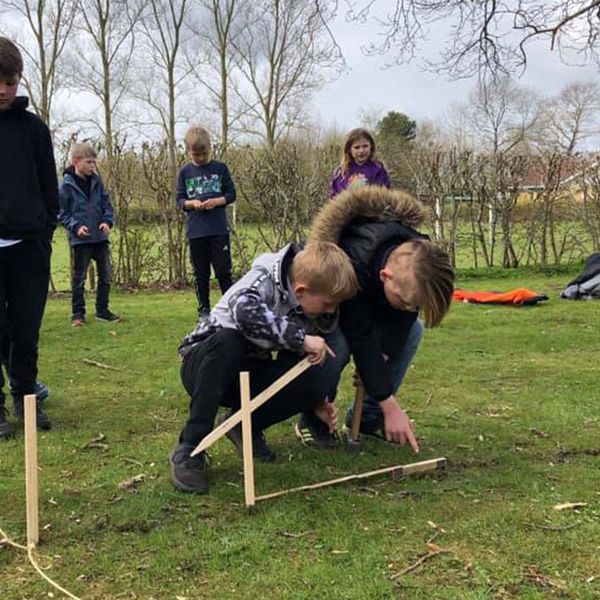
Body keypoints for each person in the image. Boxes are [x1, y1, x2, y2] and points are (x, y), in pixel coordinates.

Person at [169, 241, 359, 494]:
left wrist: (313, 399)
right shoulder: (263, 279)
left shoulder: (304, 302)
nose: (331, 310)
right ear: (301, 290)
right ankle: (190, 448)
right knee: (230, 340)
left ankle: (246, 425)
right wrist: (301, 339)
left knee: (313, 374)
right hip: (203, 364)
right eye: (327, 304)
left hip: (248, 370)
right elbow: (245, 315)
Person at [295, 185, 454, 452]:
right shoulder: (353, 260)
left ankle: (367, 419)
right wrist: (389, 403)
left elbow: (404, 315)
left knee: (413, 331)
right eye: (404, 301)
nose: (408, 307)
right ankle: (314, 416)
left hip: (373, 299)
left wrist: (386, 352)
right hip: (333, 307)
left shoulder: (417, 257)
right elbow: (361, 333)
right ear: (385, 276)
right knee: (338, 347)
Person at [0, 37, 58, 437]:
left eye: (10, 81)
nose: (3, 90)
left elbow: (49, 187)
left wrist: (44, 232)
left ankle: (26, 399)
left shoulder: (34, 128)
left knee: (26, 329)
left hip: (28, 247)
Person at [177, 126, 236, 318]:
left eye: (203, 154)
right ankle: (204, 308)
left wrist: (218, 201)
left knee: (223, 271)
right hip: (196, 232)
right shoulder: (185, 172)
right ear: (188, 151)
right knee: (200, 273)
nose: (200, 158)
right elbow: (179, 200)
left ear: (209, 148)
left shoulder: (220, 169)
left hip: (218, 229)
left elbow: (231, 194)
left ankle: (230, 304)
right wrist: (191, 203)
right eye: (196, 155)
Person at [58, 143, 118, 326]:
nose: (93, 165)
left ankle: (103, 310)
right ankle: (78, 314)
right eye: (89, 162)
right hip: (81, 239)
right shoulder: (66, 186)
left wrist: (107, 221)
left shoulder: (97, 182)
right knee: (79, 278)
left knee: (106, 275)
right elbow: (61, 213)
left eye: (94, 162)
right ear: (76, 162)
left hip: (100, 237)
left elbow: (106, 204)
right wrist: (76, 227)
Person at [328, 128, 390, 198]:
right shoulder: (341, 172)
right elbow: (334, 197)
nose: (361, 150)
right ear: (349, 150)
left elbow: (384, 195)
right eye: (357, 147)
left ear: (371, 147)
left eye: (365, 146)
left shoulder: (378, 169)